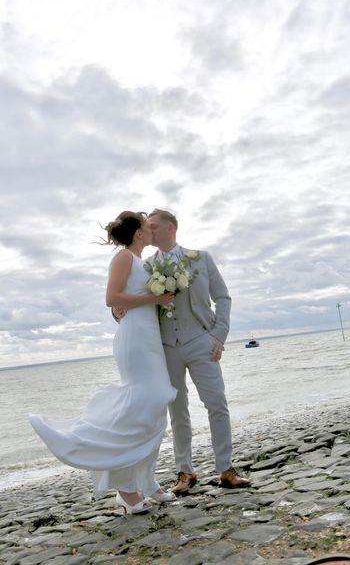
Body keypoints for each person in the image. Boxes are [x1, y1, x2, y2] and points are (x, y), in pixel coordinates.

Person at [29, 211, 178, 514]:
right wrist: (154, 299)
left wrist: (154, 299)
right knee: (143, 405)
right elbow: (112, 298)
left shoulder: (141, 261)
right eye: (146, 227)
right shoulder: (123, 257)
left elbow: (128, 297)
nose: (151, 230)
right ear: (137, 233)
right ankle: (124, 488)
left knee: (155, 409)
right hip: (135, 339)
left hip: (148, 337)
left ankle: (148, 483)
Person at [115, 209, 250, 495]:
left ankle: (226, 469)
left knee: (216, 403)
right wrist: (119, 312)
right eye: (146, 227)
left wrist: (219, 334)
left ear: (170, 228)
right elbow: (130, 299)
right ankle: (185, 472)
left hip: (202, 340)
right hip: (165, 348)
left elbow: (223, 296)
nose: (148, 231)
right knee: (177, 412)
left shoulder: (201, 258)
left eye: (153, 226)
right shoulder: (146, 266)